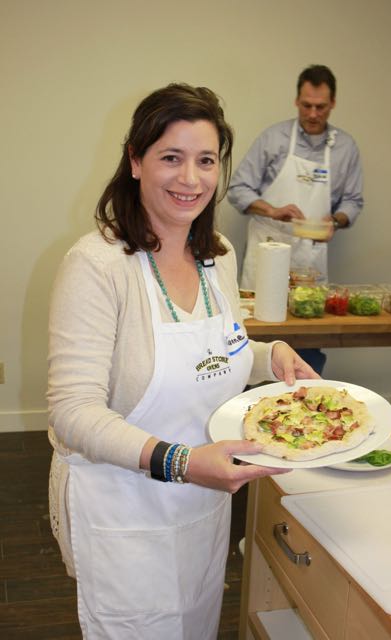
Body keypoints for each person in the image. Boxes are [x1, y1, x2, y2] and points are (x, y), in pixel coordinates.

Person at [47, 83, 319, 640]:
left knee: (194, 623)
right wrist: (183, 463)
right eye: (171, 158)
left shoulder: (217, 255)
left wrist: (270, 356)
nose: (190, 179)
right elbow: (73, 411)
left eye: (206, 160)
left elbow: (216, 351)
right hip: (125, 507)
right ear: (135, 161)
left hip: (202, 506)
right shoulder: (96, 266)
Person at [227, 65, 363, 374]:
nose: (313, 113)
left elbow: (353, 202)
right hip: (267, 250)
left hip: (309, 259)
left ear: (333, 104)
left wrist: (336, 222)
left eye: (321, 106)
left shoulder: (345, 148)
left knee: (307, 344)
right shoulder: (273, 138)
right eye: (306, 105)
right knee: (257, 341)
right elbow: (238, 189)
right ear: (296, 101)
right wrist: (272, 210)